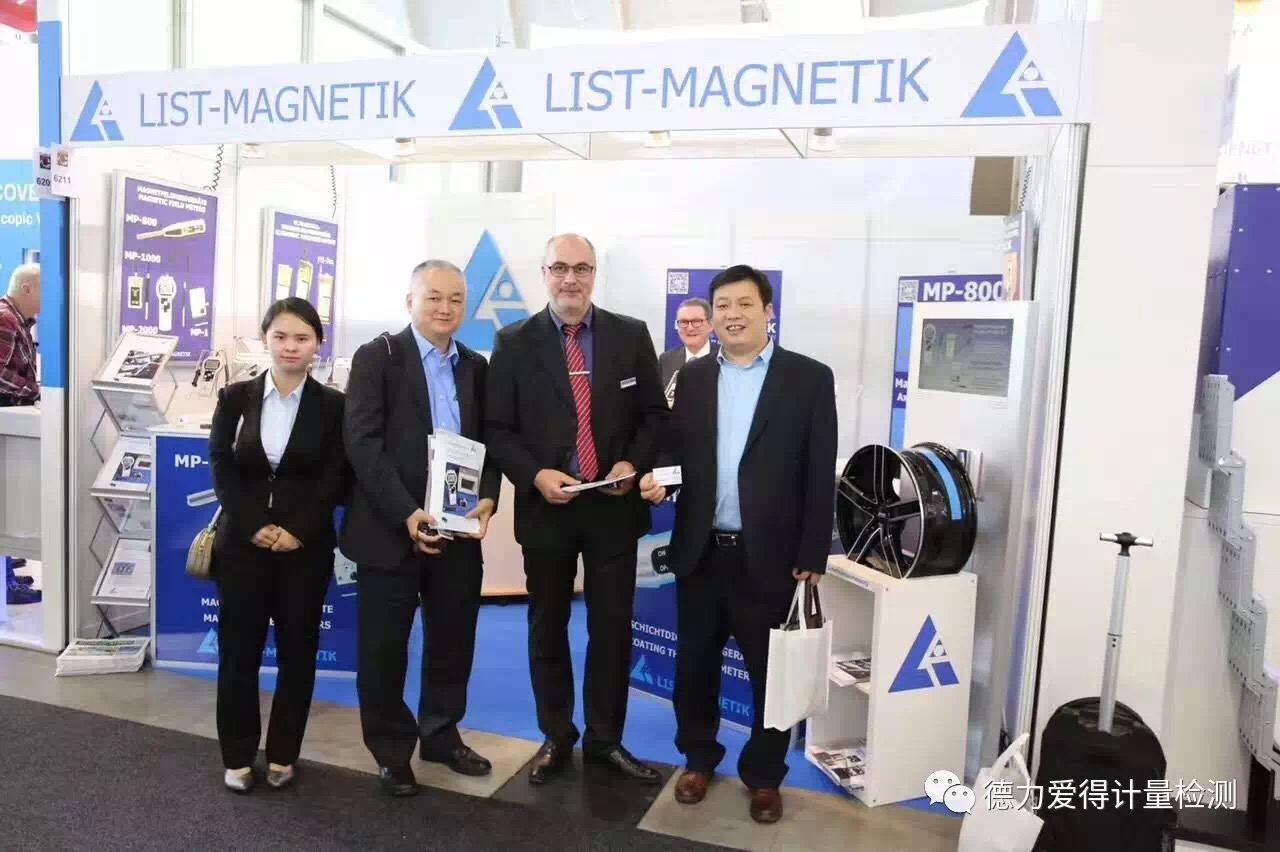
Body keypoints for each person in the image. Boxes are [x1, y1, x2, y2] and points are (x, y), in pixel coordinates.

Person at [639, 264, 838, 824]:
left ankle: (764, 775)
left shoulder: (808, 378)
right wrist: (659, 478)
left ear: (768, 311)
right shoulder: (695, 378)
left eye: (744, 304)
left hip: (770, 557)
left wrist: (812, 554)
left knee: (770, 675)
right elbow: (676, 450)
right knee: (694, 668)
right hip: (701, 551)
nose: (732, 315)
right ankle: (698, 759)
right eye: (722, 306)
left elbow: (819, 470)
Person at [485, 234, 668, 785]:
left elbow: (653, 416)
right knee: (548, 627)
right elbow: (498, 429)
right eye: (560, 268)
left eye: (582, 268)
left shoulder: (630, 335)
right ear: (544, 273)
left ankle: (605, 740)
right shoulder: (513, 342)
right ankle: (557, 735)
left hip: (613, 508)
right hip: (548, 509)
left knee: (611, 629)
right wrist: (535, 475)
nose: (571, 279)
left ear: (594, 274)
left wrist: (632, 463)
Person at [340, 260, 500, 798]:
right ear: (410, 302)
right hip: (390, 531)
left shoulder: (474, 365)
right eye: (433, 297)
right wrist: (407, 513)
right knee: (383, 649)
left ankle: (440, 734)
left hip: (457, 533)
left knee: (453, 641)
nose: (445, 308)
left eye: (455, 299)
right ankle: (391, 751)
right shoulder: (378, 357)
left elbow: (489, 442)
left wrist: (488, 496)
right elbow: (363, 444)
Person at [208, 297, 348, 794]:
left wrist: (299, 529)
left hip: (303, 550)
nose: (291, 347)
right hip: (242, 547)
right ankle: (237, 756)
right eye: (281, 336)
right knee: (238, 654)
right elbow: (221, 465)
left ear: (318, 344)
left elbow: (337, 475)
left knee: (298, 653)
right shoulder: (235, 397)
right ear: (265, 338)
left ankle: (285, 752)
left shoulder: (334, 406)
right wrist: (252, 524)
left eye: (302, 338)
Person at [658, 296, 718, 402]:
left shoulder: (725, 358)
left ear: (711, 325)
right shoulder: (666, 360)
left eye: (696, 321)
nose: (690, 328)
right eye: (684, 322)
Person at [0, 263, 40, 407]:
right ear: (26, 289)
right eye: (45, 289)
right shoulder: (5, 318)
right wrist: (35, 391)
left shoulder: (20, 321)